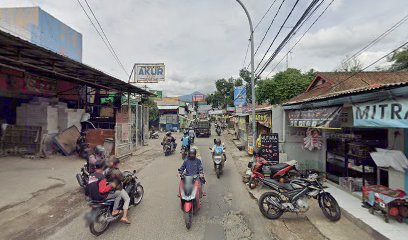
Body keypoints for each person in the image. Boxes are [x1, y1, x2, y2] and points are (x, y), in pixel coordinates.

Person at [104, 158, 131, 224]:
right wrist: (130, 178)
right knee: (127, 199)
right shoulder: (116, 171)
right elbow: (123, 179)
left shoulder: (107, 170)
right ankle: (124, 217)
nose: (119, 164)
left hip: (107, 188)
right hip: (115, 188)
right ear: (116, 164)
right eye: (118, 163)